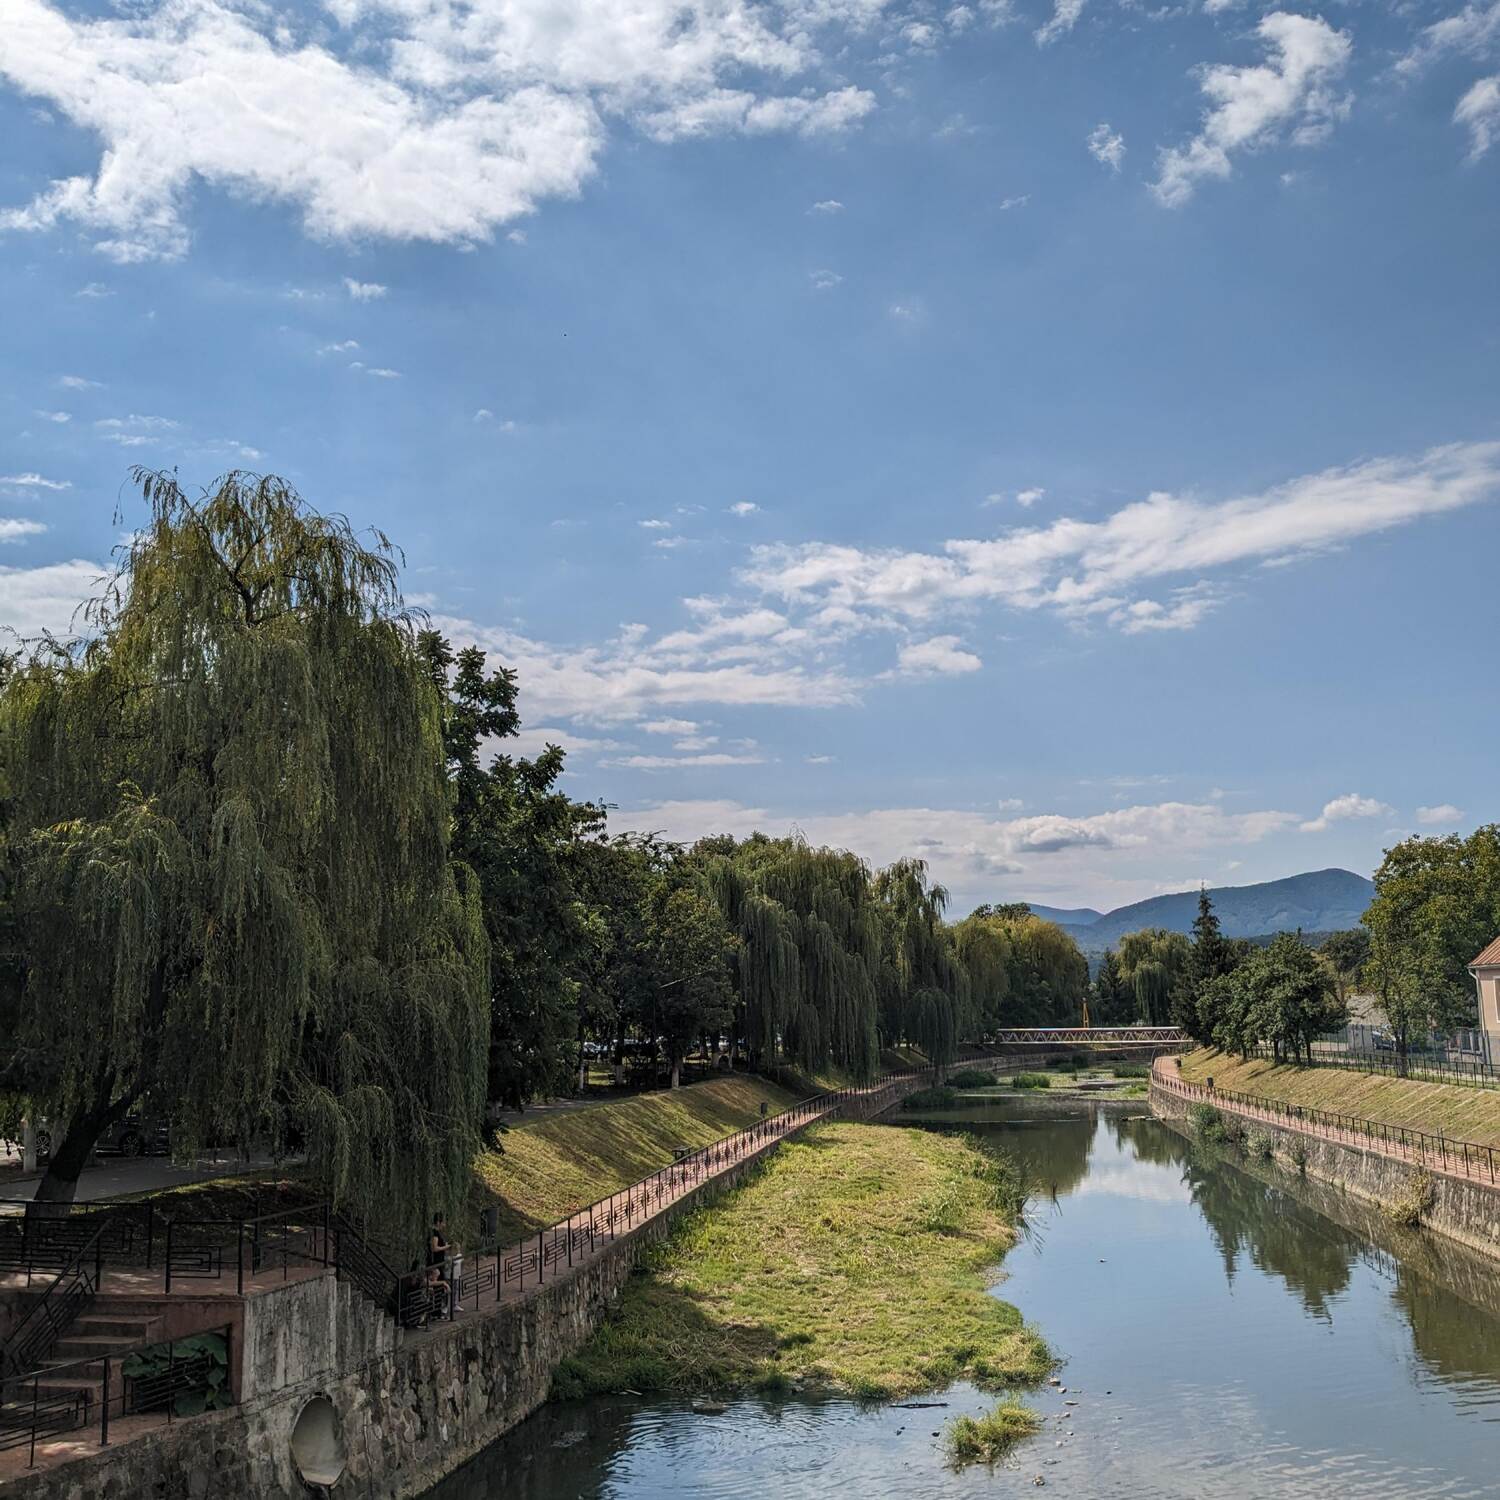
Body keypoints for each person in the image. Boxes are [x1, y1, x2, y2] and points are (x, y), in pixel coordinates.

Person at [429, 1212, 462, 1316]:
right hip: (436, 1263)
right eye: (443, 1222)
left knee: (441, 1286)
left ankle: (440, 1309)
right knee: (439, 1285)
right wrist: (447, 1247)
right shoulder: (435, 1233)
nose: (444, 1225)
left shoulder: (438, 1233)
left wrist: (448, 1245)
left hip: (440, 1262)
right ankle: (437, 1311)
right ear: (438, 1222)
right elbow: (434, 1248)